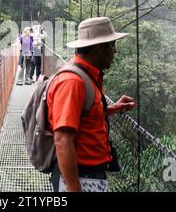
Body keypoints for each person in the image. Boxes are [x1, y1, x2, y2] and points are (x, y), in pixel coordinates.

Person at [47, 17, 137, 192]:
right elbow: (62, 140)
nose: (115, 51)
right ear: (99, 48)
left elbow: (84, 115)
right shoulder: (73, 82)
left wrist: (111, 108)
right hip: (79, 176)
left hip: (88, 175)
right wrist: (74, 188)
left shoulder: (87, 76)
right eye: (112, 45)